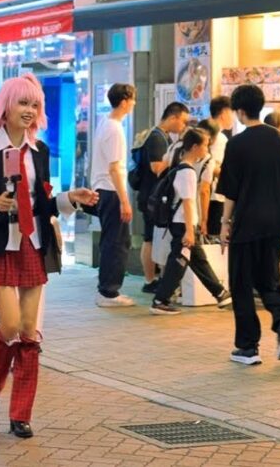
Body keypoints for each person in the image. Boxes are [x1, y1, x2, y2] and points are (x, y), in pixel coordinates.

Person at [0, 74, 98, 439]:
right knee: (8, 327)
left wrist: (70, 197)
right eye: (23, 104)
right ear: (5, 107)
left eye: (34, 105)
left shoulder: (39, 151)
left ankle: (21, 413)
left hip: (32, 241)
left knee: (29, 332)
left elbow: (43, 204)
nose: (29, 111)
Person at [218, 84, 280, 365]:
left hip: (247, 222)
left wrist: (224, 223)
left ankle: (247, 347)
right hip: (276, 223)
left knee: (241, 284)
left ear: (240, 111)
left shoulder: (237, 144)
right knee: (268, 280)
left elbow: (231, 190)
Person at [149, 128, 230, 314]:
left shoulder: (182, 169)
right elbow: (187, 202)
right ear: (195, 147)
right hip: (183, 224)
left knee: (197, 259)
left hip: (182, 223)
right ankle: (160, 300)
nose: (207, 150)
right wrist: (190, 231)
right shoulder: (188, 172)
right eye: (205, 145)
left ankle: (220, 293)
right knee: (177, 262)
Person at [87, 83, 137, 307]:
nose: (134, 104)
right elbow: (115, 167)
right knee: (117, 242)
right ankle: (109, 292)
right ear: (125, 101)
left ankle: (107, 290)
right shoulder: (115, 129)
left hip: (104, 189)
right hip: (111, 191)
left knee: (113, 240)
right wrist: (125, 200)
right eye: (132, 100)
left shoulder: (104, 123)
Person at [139, 102, 190, 293]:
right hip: (151, 197)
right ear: (173, 117)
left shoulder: (163, 136)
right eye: (182, 121)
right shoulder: (157, 137)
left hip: (155, 196)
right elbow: (156, 167)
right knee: (149, 238)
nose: (183, 126)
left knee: (153, 238)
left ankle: (154, 279)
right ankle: (149, 280)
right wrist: (174, 156)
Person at [206, 96, 235, 238]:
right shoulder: (219, 137)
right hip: (215, 195)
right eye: (232, 112)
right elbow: (214, 167)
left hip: (208, 194)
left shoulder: (209, 132)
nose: (233, 117)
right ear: (224, 112)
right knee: (215, 237)